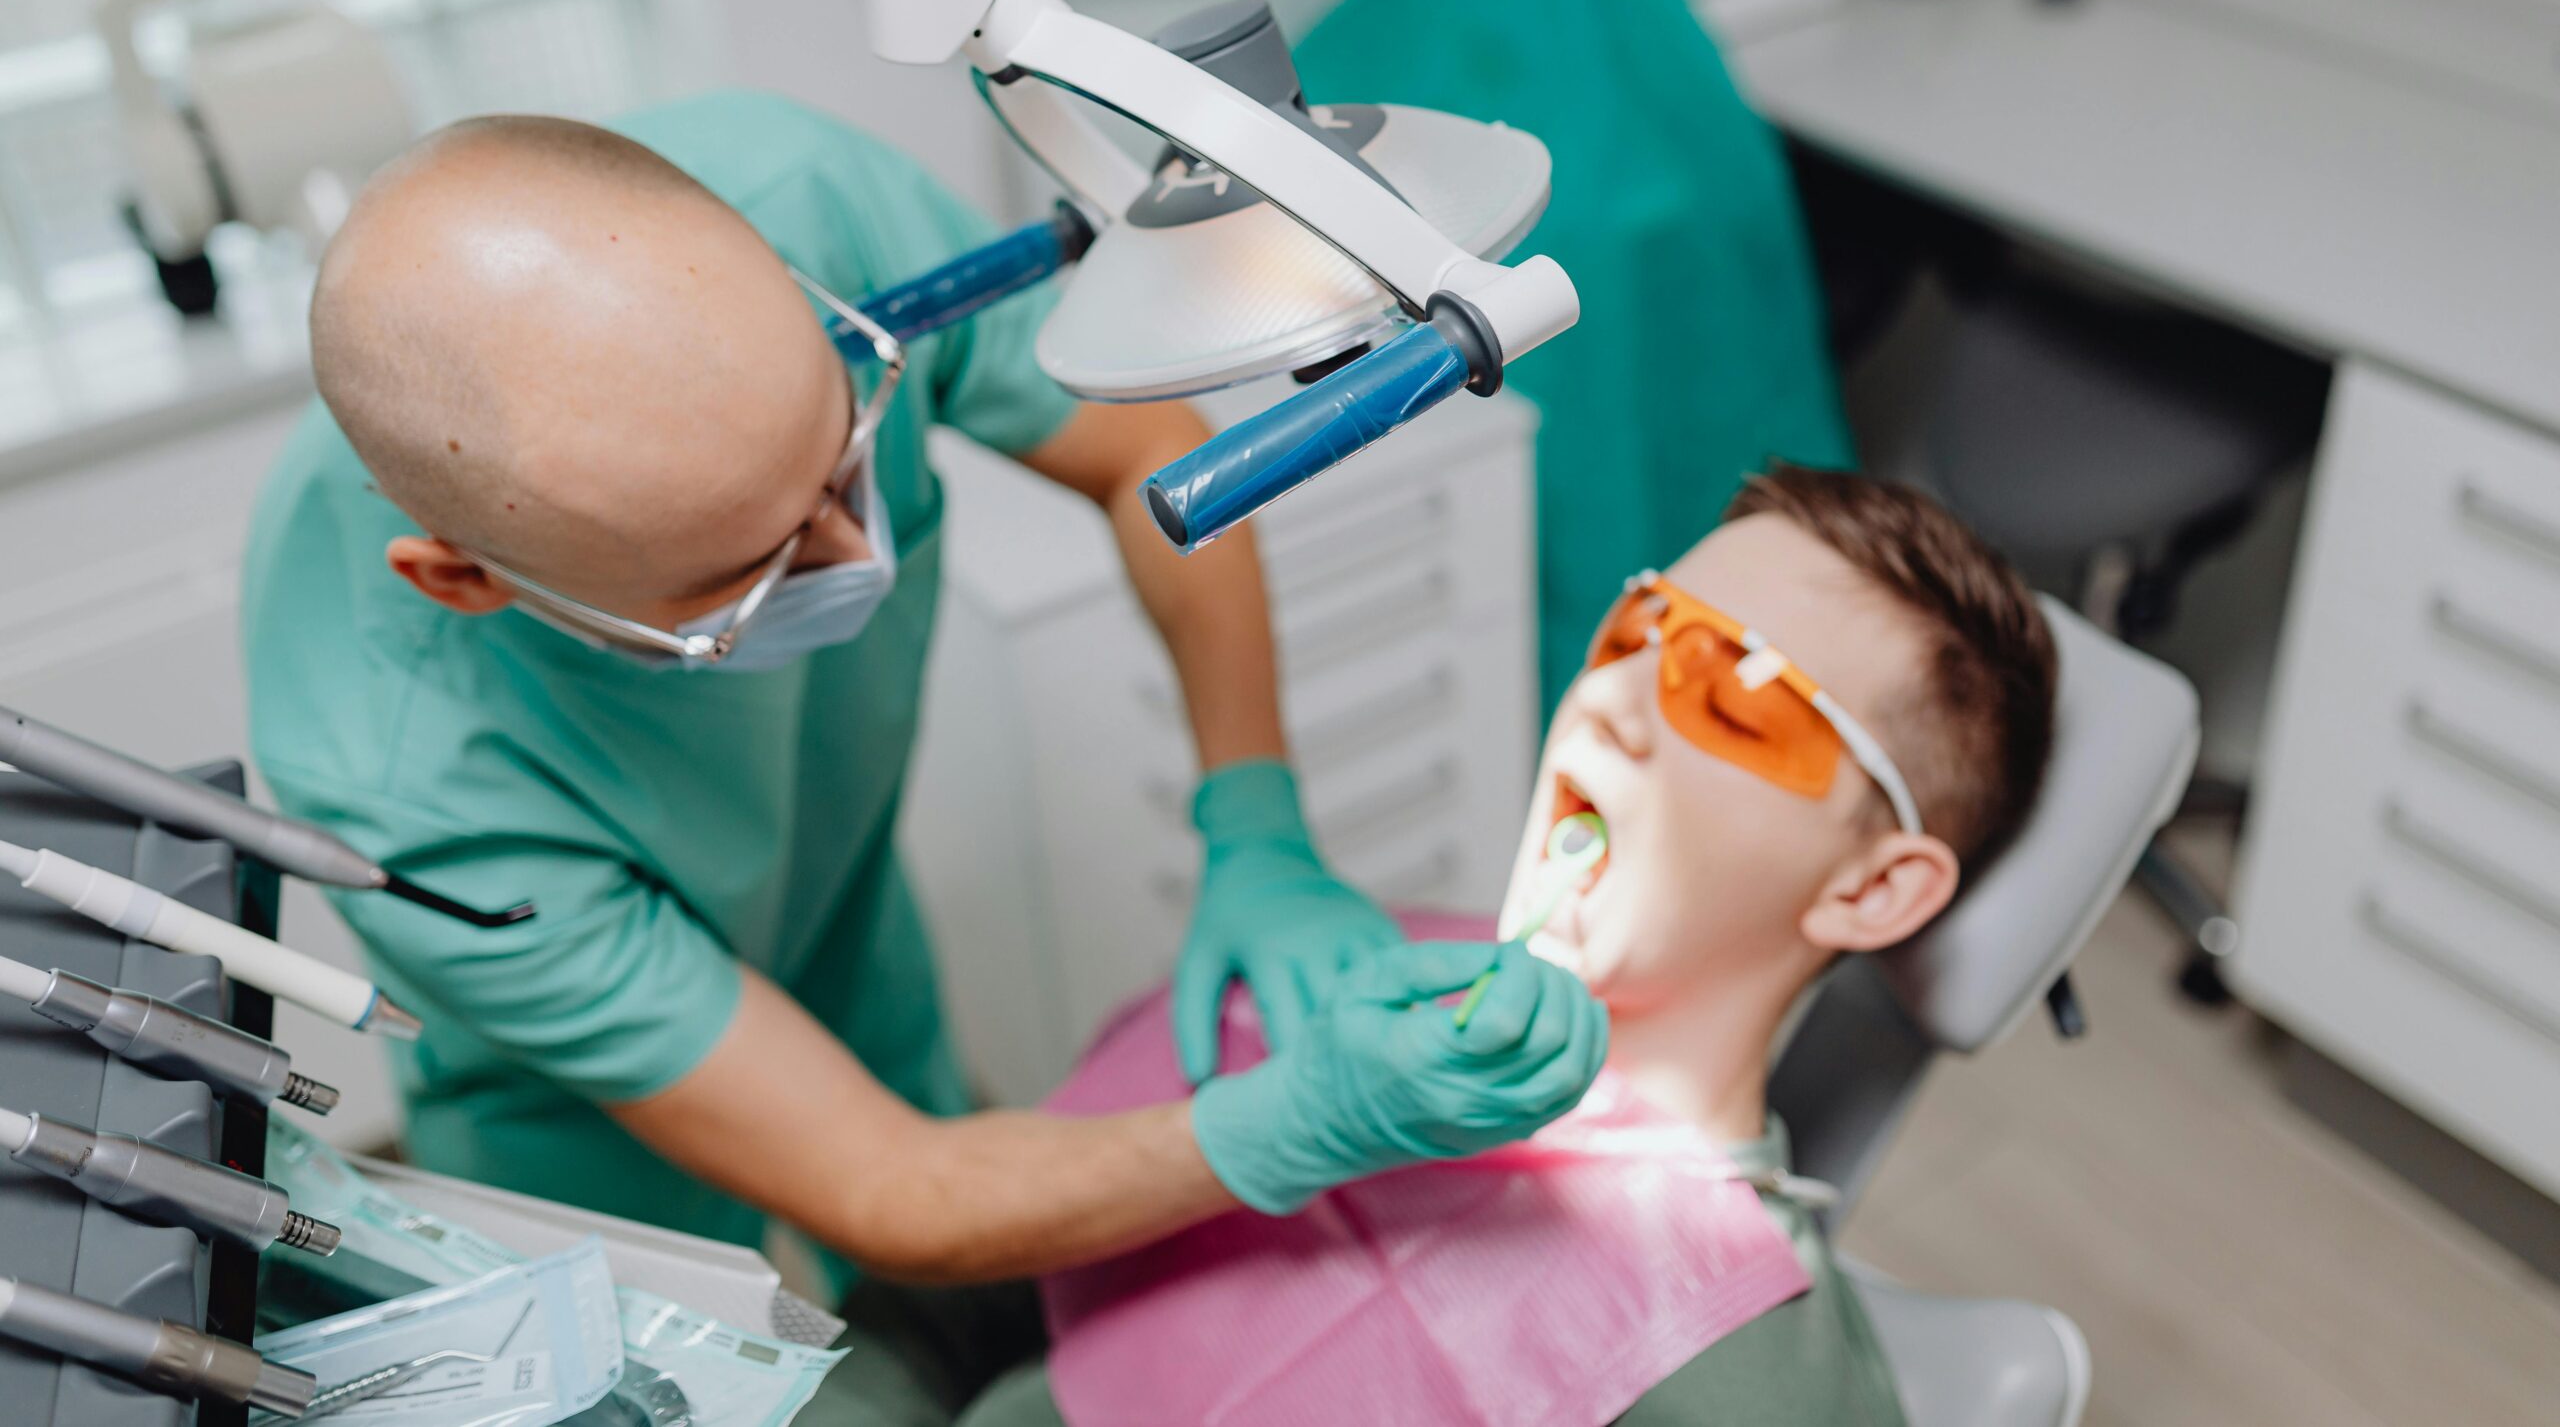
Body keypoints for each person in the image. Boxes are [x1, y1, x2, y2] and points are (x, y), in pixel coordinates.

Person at [238, 90, 1606, 1307]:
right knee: (651, 1350)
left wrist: (1255, 812)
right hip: (568, 1104)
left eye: (846, 458)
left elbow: (1143, 451)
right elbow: (891, 1185)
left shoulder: (811, 208)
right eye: (753, 569)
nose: (858, 556)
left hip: (836, 902)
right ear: (466, 581)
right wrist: (1300, 1118)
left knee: (940, 1273)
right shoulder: (407, 794)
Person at [960, 464, 2059, 1426]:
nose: (1609, 695)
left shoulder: (1731, 1371)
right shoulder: (1361, 977)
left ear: (1871, 890)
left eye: (1734, 694)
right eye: (1636, 628)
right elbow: (955, 1272)